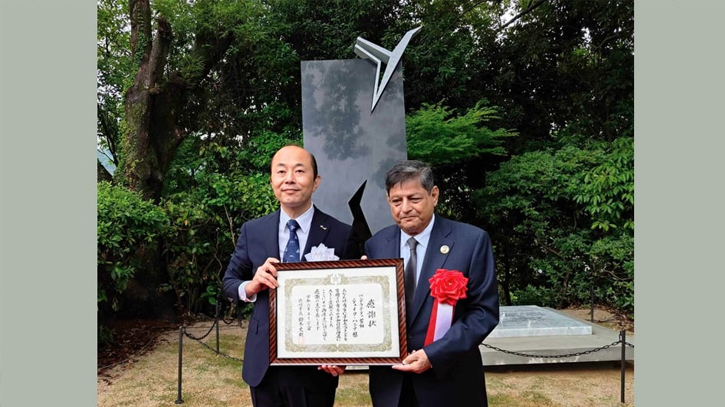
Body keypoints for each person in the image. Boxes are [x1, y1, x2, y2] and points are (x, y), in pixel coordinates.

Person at [222, 145, 353, 407]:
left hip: (316, 366)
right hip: (264, 363)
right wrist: (251, 285)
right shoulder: (253, 230)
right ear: (272, 180)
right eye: (281, 171)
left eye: (299, 171)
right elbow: (229, 282)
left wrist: (343, 354)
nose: (289, 179)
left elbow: (350, 301)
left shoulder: (341, 233)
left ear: (316, 182)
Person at [364, 160, 500, 407]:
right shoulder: (376, 245)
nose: (405, 208)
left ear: (434, 195)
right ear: (388, 200)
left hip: (449, 382)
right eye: (397, 201)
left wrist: (433, 355)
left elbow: (483, 313)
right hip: (392, 386)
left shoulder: (471, 241)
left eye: (414, 198)